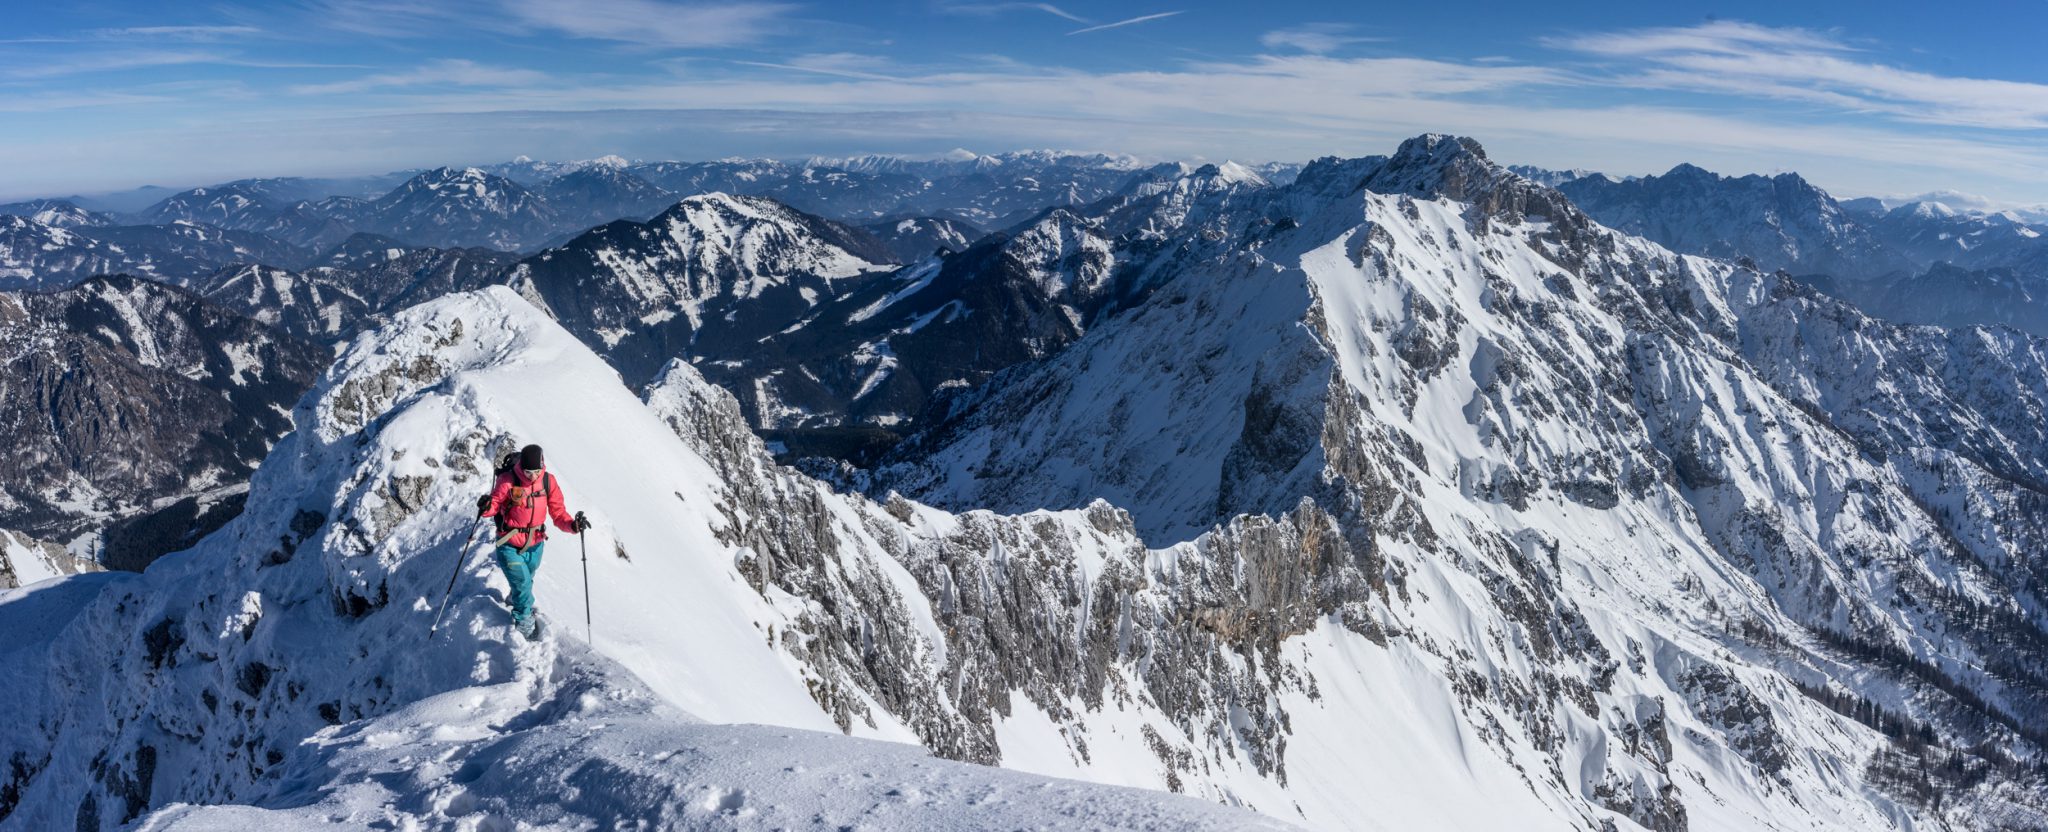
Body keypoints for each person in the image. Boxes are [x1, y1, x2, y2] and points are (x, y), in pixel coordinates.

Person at [477, 444, 588, 638]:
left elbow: (558, 513)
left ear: (542, 465)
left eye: (536, 471)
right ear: (522, 466)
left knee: (527, 579)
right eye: (528, 472)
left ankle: (515, 599)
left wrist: (573, 526)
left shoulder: (548, 482)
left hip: (535, 543)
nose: (532, 476)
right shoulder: (508, 480)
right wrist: (486, 506)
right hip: (508, 543)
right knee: (523, 583)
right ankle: (525, 627)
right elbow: (494, 505)